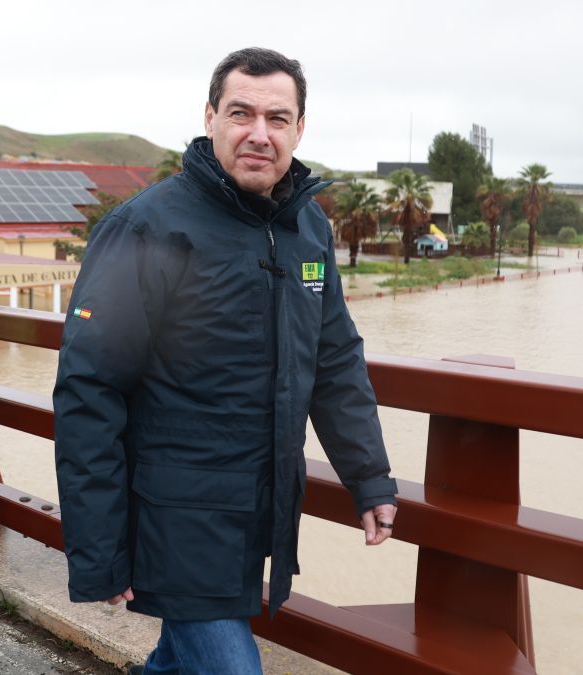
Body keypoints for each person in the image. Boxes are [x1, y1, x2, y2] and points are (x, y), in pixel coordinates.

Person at [53, 47, 398, 674]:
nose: (259, 134)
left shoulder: (308, 230)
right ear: (210, 116)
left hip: (262, 506)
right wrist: (98, 547)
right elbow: (89, 389)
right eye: (241, 113)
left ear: (299, 129)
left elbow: (336, 360)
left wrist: (368, 476)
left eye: (278, 118)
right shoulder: (147, 227)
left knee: (179, 662)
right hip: (173, 515)